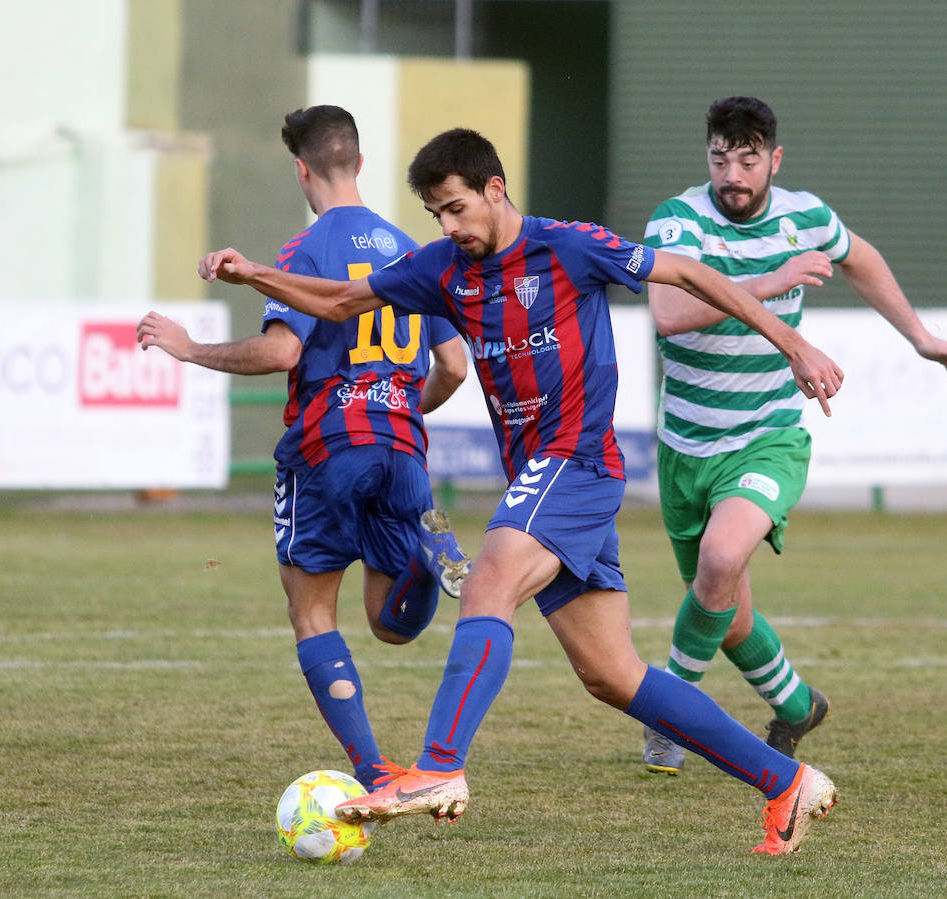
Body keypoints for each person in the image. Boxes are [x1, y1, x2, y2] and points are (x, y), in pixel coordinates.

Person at [197, 127, 848, 855]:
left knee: (490, 579)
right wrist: (255, 274)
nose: (447, 227)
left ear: (495, 189)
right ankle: (786, 781)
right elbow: (343, 301)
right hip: (541, 476)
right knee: (612, 674)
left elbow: (691, 275)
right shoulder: (444, 267)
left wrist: (793, 344)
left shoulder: (568, 246)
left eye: (455, 208)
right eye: (436, 214)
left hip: (577, 462)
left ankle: (440, 767)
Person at [637, 96, 947, 776]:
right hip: (685, 446)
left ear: (774, 159)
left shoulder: (806, 216)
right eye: (719, 159)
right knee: (725, 610)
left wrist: (919, 337)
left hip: (767, 436)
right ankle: (797, 705)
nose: (731, 175)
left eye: (746, 161)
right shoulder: (678, 219)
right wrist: (769, 282)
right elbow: (670, 311)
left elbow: (861, 258)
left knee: (719, 560)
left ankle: (667, 712)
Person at [137, 105, 470, 790]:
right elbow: (456, 367)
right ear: (359, 164)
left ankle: (374, 767)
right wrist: (402, 405)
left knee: (313, 612)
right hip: (402, 446)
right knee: (390, 624)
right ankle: (428, 552)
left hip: (327, 447)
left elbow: (281, 350)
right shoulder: (417, 248)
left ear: (302, 169)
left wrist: (188, 347)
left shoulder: (303, 251)